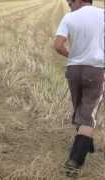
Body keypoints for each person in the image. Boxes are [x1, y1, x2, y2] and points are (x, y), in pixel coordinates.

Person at [54, 0, 105, 177]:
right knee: (88, 114)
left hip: (74, 69)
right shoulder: (103, 14)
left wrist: (73, 56)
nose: (68, 4)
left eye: (70, 1)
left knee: (79, 108)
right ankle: (75, 160)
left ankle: (86, 142)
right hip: (96, 69)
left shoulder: (69, 17)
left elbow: (58, 45)